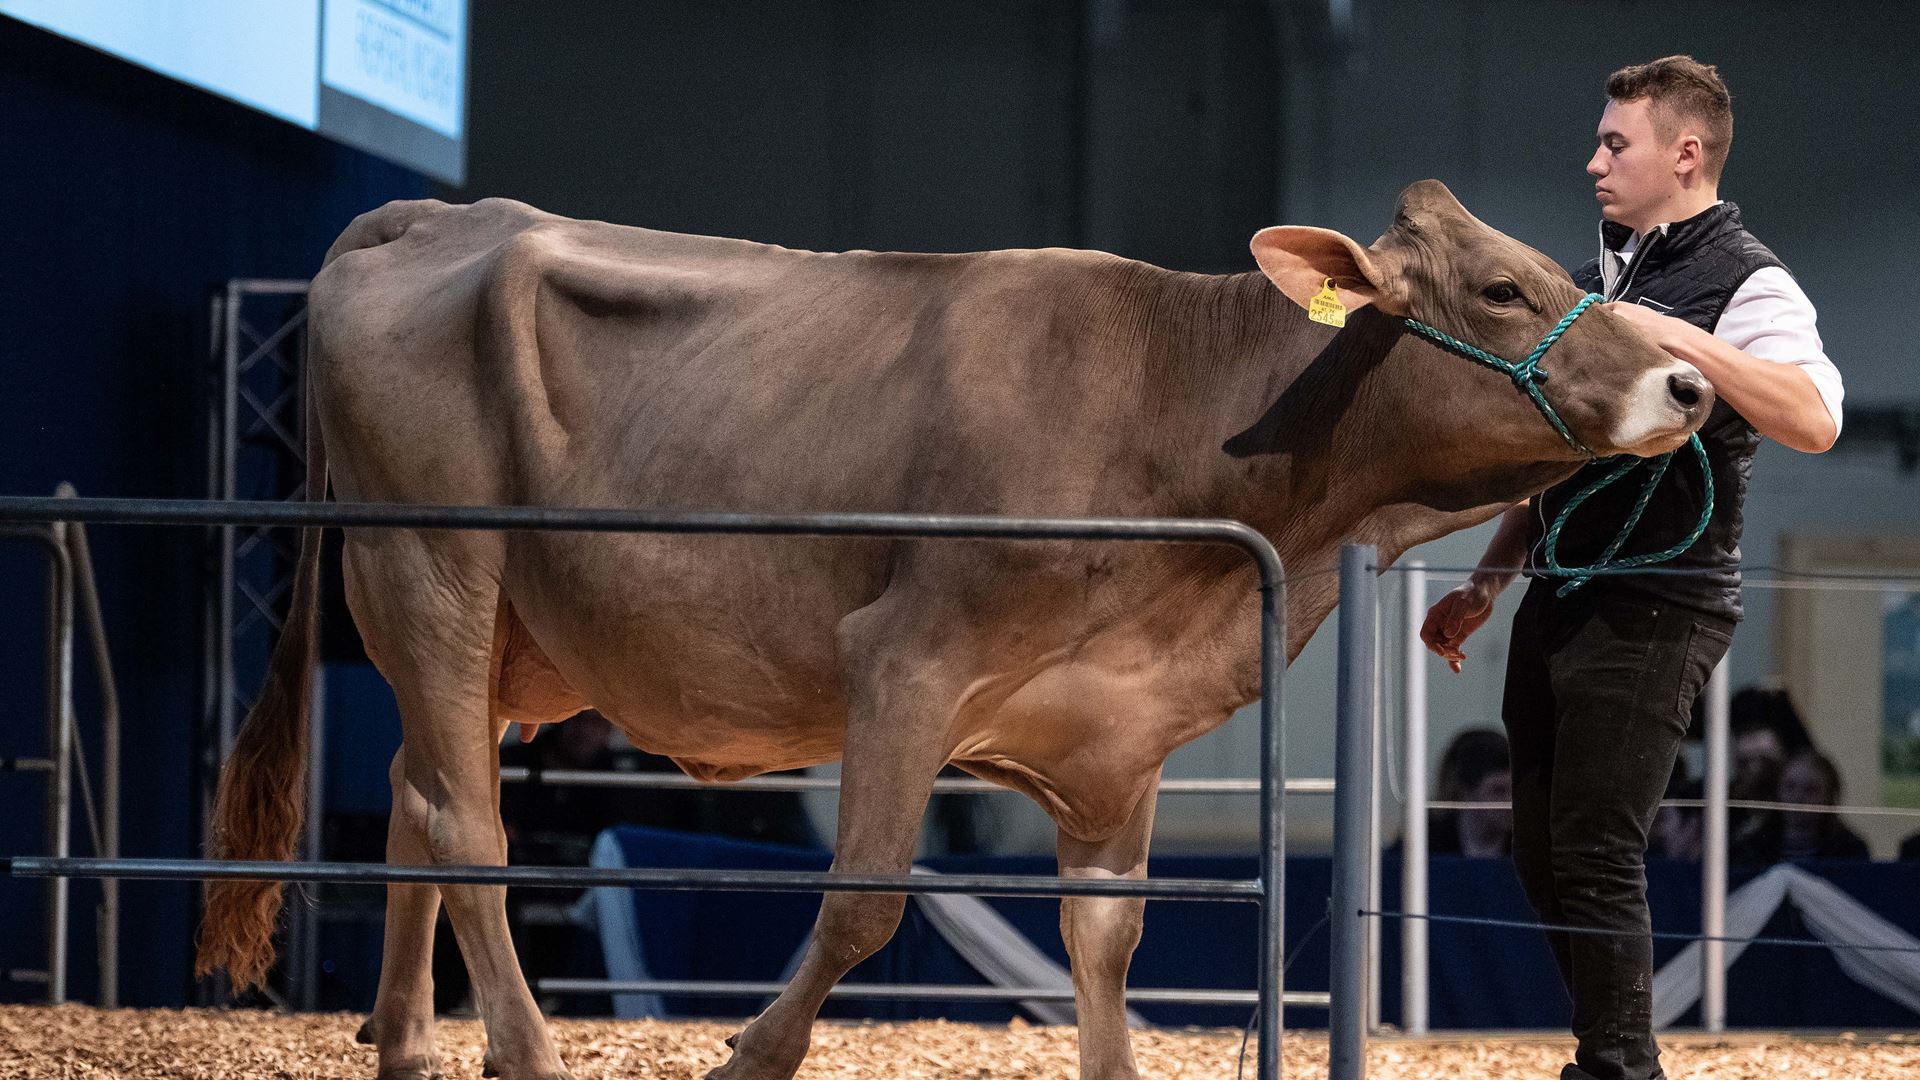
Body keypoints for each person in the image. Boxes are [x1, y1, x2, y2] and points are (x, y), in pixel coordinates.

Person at [1421, 56, 1844, 1080]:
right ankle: (1613, 1052)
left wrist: (1682, 339)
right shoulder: (1603, 273)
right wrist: (1487, 578)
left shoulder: (1750, 278)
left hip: (1665, 595)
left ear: (1684, 154)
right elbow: (1570, 455)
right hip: (1562, 588)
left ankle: (1619, 1067)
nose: (1594, 161)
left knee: (1598, 847)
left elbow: (1818, 418)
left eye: (1617, 144)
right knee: (1539, 848)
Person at [1731, 747, 1870, 864]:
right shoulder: (1750, 849)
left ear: (1829, 797)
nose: (1798, 798)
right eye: (1790, 787)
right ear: (1778, 790)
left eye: (1810, 789)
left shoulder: (1850, 851)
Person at [1431, 728, 1514, 857]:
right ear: (1466, 791)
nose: (1510, 801)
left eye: (1513, 791)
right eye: (1498, 791)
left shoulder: (1528, 845)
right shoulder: (1427, 842)